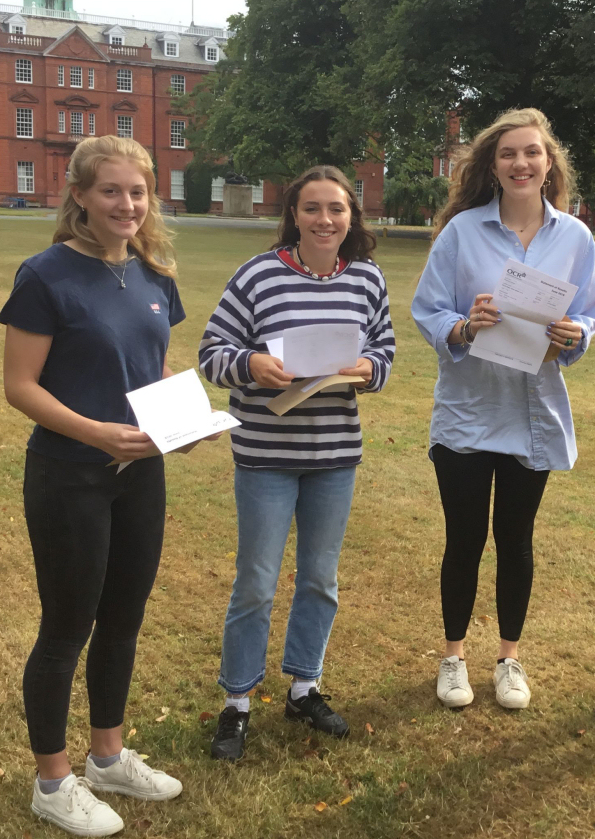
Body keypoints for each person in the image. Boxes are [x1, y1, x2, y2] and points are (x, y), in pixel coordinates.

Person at [0, 135, 188, 836]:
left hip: (141, 475)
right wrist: (98, 433)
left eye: (138, 192)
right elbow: (20, 387)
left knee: (125, 619)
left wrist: (187, 419)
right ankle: (53, 781)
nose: (127, 204)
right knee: (66, 628)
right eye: (111, 191)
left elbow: (154, 370)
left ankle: (107, 757)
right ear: (79, 195)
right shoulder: (45, 276)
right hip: (69, 476)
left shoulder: (153, 276)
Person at [198, 164, 395, 761]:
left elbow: (384, 352)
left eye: (337, 209)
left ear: (351, 217)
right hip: (265, 454)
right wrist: (252, 364)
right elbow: (212, 354)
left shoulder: (366, 279)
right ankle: (237, 704)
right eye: (313, 208)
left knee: (319, 578)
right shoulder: (259, 275)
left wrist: (366, 370)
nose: (325, 220)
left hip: (334, 455)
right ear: (294, 215)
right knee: (256, 582)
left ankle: (304, 687)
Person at [411, 108, 595, 711]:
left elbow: (589, 313)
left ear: (549, 164)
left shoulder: (574, 237)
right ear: (492, 167)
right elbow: (427, 309)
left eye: (532, 153)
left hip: (533, 415)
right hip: (468, 414)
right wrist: (466, 327)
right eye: (508, 154)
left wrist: (577, 335)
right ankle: (453, 657)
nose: (521, 163)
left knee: (516, 541)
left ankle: (510, 659)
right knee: (463, 541)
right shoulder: (462, 232)